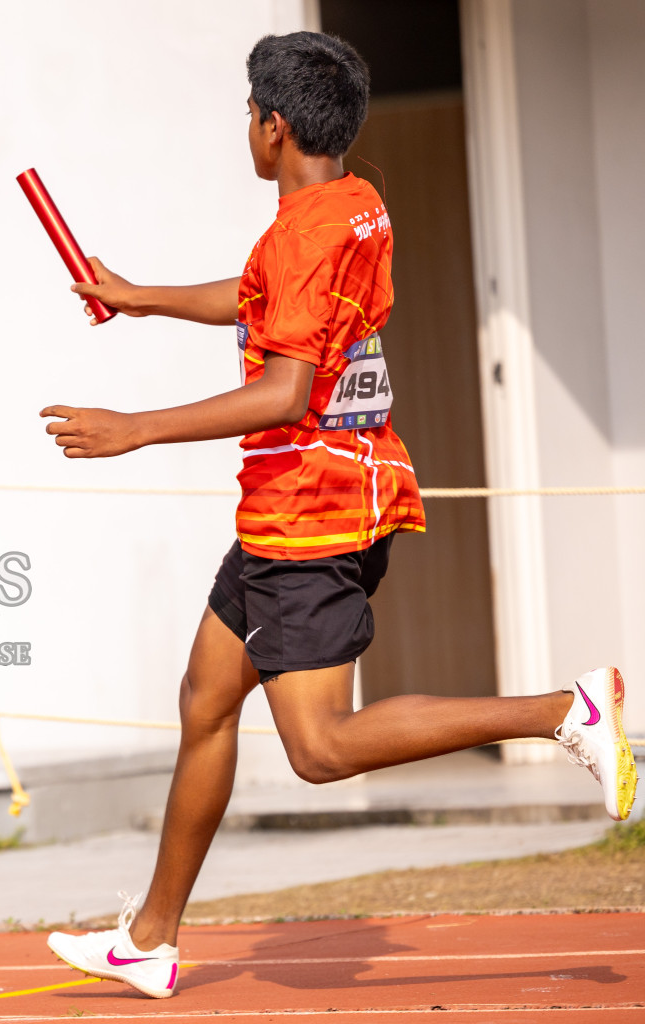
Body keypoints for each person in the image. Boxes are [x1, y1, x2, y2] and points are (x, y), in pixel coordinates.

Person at [38, 31, 635, 1000]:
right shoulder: (354, 207)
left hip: (307, 515)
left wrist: (135, 426)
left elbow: (283, 389)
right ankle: (150, 938)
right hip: (315, 499)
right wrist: (138, 296)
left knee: (316, 746)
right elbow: (263, 299)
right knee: (206, 699)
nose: (247, 129)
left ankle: (566, 711)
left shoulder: (304, 232)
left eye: (248, 115)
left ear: (273, 128)